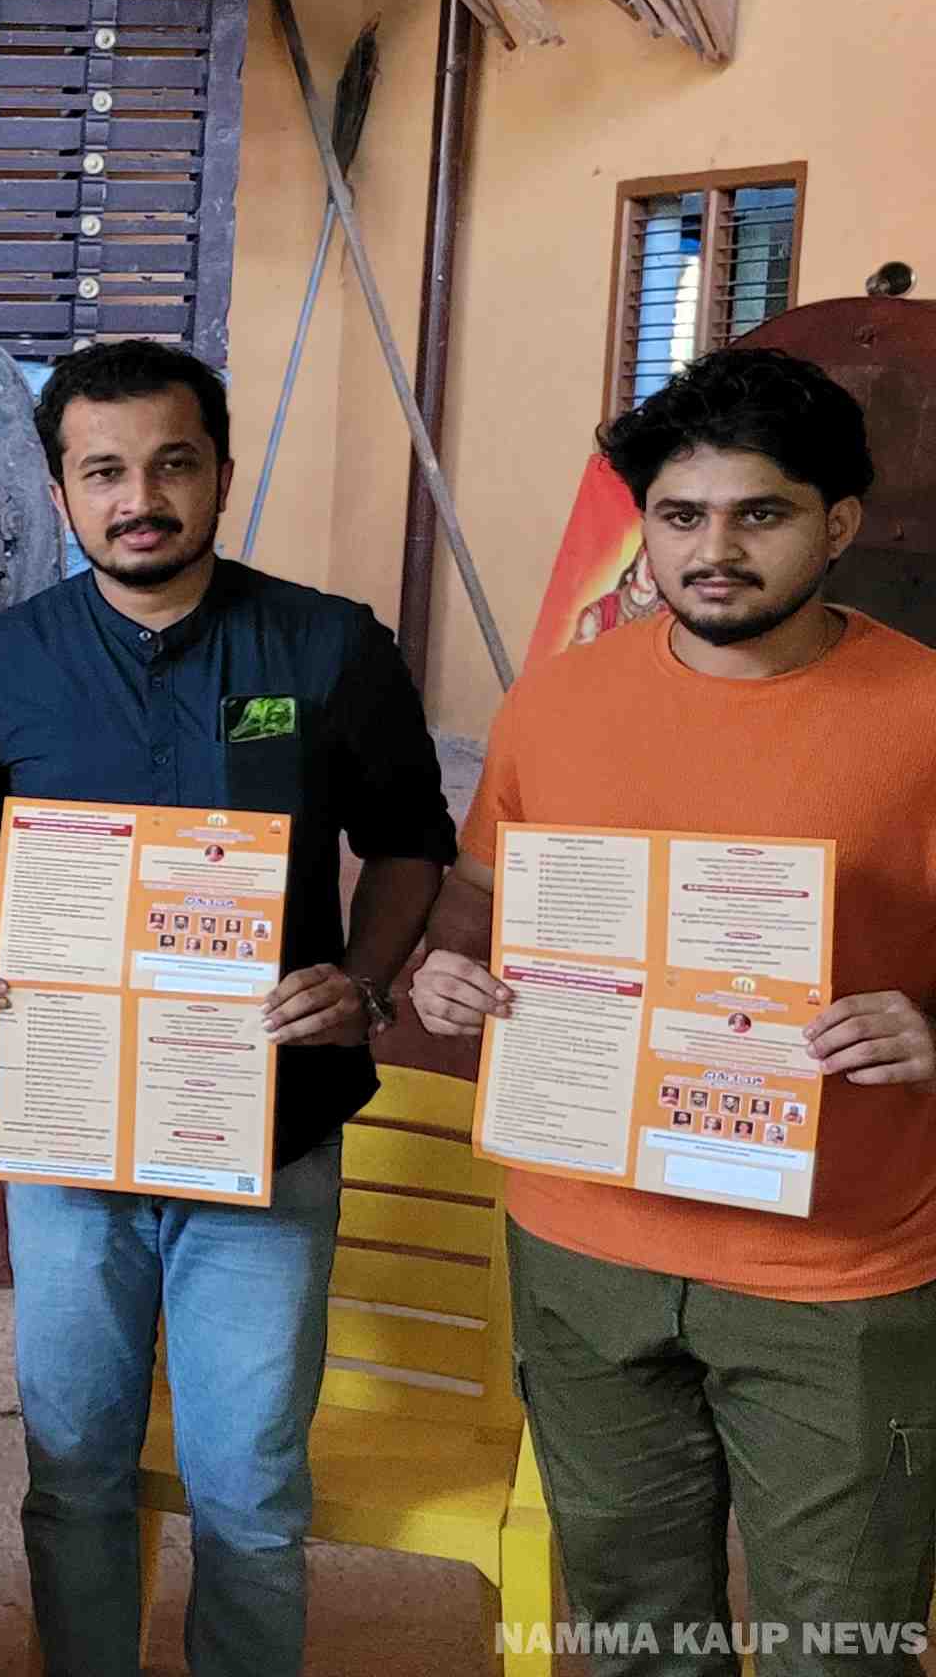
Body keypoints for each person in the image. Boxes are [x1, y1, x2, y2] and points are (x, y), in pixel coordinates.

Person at [0, 339, 456, 1677]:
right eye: (103, 471)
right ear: (59, 488)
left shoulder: (327, 645)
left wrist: (363, 980)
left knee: (249, 1485)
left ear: (220, 472)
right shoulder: (5, 659)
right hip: (71, 1136)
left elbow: (407, 844)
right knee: (74, 1468)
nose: (139, 498)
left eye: (171, 464)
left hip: (269, 1128)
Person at [408, 349, 936, 1676]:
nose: (715, 551)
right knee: (636, 1631)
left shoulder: (926, 713)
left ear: (839, 523)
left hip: (836, 1268)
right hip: (583, 1246)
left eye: (761, 513)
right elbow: (480, 892)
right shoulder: (559, 697)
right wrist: (446, 969)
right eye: (680, 515)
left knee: (843, 1643)